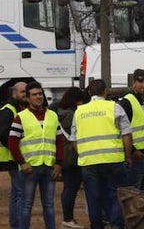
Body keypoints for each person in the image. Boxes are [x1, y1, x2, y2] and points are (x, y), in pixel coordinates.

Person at [74, 79, 132, 229]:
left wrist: (83, 154)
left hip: (89, 162)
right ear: (105, 91)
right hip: (113, 159)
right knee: (116, 194)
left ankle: (96, 226)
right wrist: (128, 156)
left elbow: (74, 140)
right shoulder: (115, 107)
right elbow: (126, 134)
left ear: (88, 92)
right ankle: (116, 225)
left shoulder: (79, 111)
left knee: (93, 198)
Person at [8, 81, 65, 229]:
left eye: (40, 94)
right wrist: (22, 162)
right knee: (26, 205)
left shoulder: (52, 115)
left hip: (49, 167)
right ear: (27, 98)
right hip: (29, 168)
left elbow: (59, 140)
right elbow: (12, 142)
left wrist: (58, 163)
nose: (38, 97)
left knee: (49, 205)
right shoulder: (20, 117)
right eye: (34, 95)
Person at [52, 86, 88, 229]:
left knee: (68, 187)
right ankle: (68, 219)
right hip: (73, 156)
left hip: (63, 155)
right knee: (71, 188)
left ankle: (68, 218)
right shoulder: (72, 115)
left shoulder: (57, 112)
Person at [1, 80, 29, 229]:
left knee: (16, 192)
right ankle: (18, 225)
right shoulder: (9, 110)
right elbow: (4, 134)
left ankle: (15, 223)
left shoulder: (15, 108)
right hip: (11, 158)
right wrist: (16, 151)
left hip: (11, 157)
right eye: (22, 92)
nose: (25, 94)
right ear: (14, 93)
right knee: (20, 193)